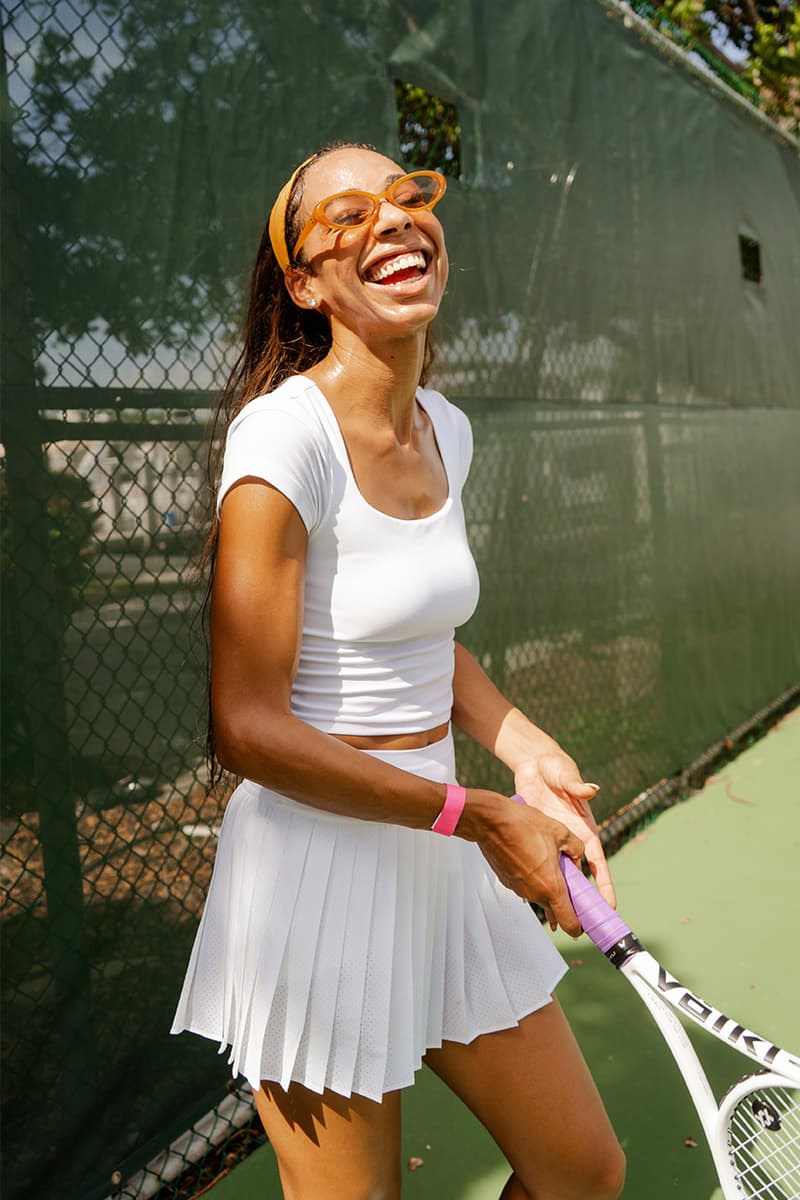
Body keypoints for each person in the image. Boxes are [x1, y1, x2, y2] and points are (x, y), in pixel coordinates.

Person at [172, 141, 626, 1200]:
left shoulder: (447, 431)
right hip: (316, 875)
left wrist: (520, 741)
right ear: (303, 284)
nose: (387, 220)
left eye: (405, 197)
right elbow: (243, 725)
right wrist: (476, 813)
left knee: (580, 1173)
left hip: (439, 852)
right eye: (342, 216)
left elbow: (413, 631)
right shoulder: (281, 442)